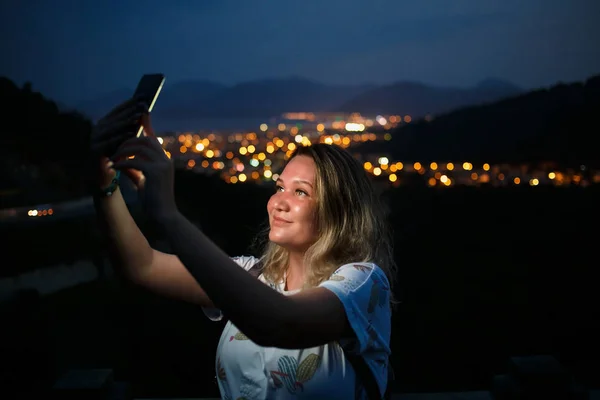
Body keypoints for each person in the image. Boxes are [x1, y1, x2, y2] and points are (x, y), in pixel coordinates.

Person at [91, 98, 396, 400]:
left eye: (301, 192)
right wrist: (105, 184)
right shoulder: (253, 276)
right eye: (279, 187)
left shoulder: (362, 284)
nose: (278, 203)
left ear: (338, 210)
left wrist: (169, 214)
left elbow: (279, 322)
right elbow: (142, 265)